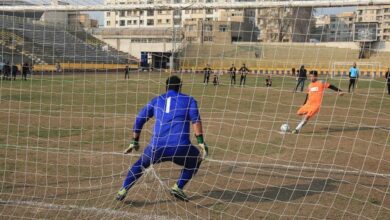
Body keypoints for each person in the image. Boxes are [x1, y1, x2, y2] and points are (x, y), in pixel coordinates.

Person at [116, 75, 208, 202]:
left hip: (156, 147)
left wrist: (134, 141)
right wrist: (201, 142)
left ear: (166, 87)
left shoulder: (156, 100)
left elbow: (139, 119)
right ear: (180, 87)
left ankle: (123, 189)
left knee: (140, 164)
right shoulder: (189, 100)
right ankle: (178, 187)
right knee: (196, 158)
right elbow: (196, 121)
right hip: (180, 148)